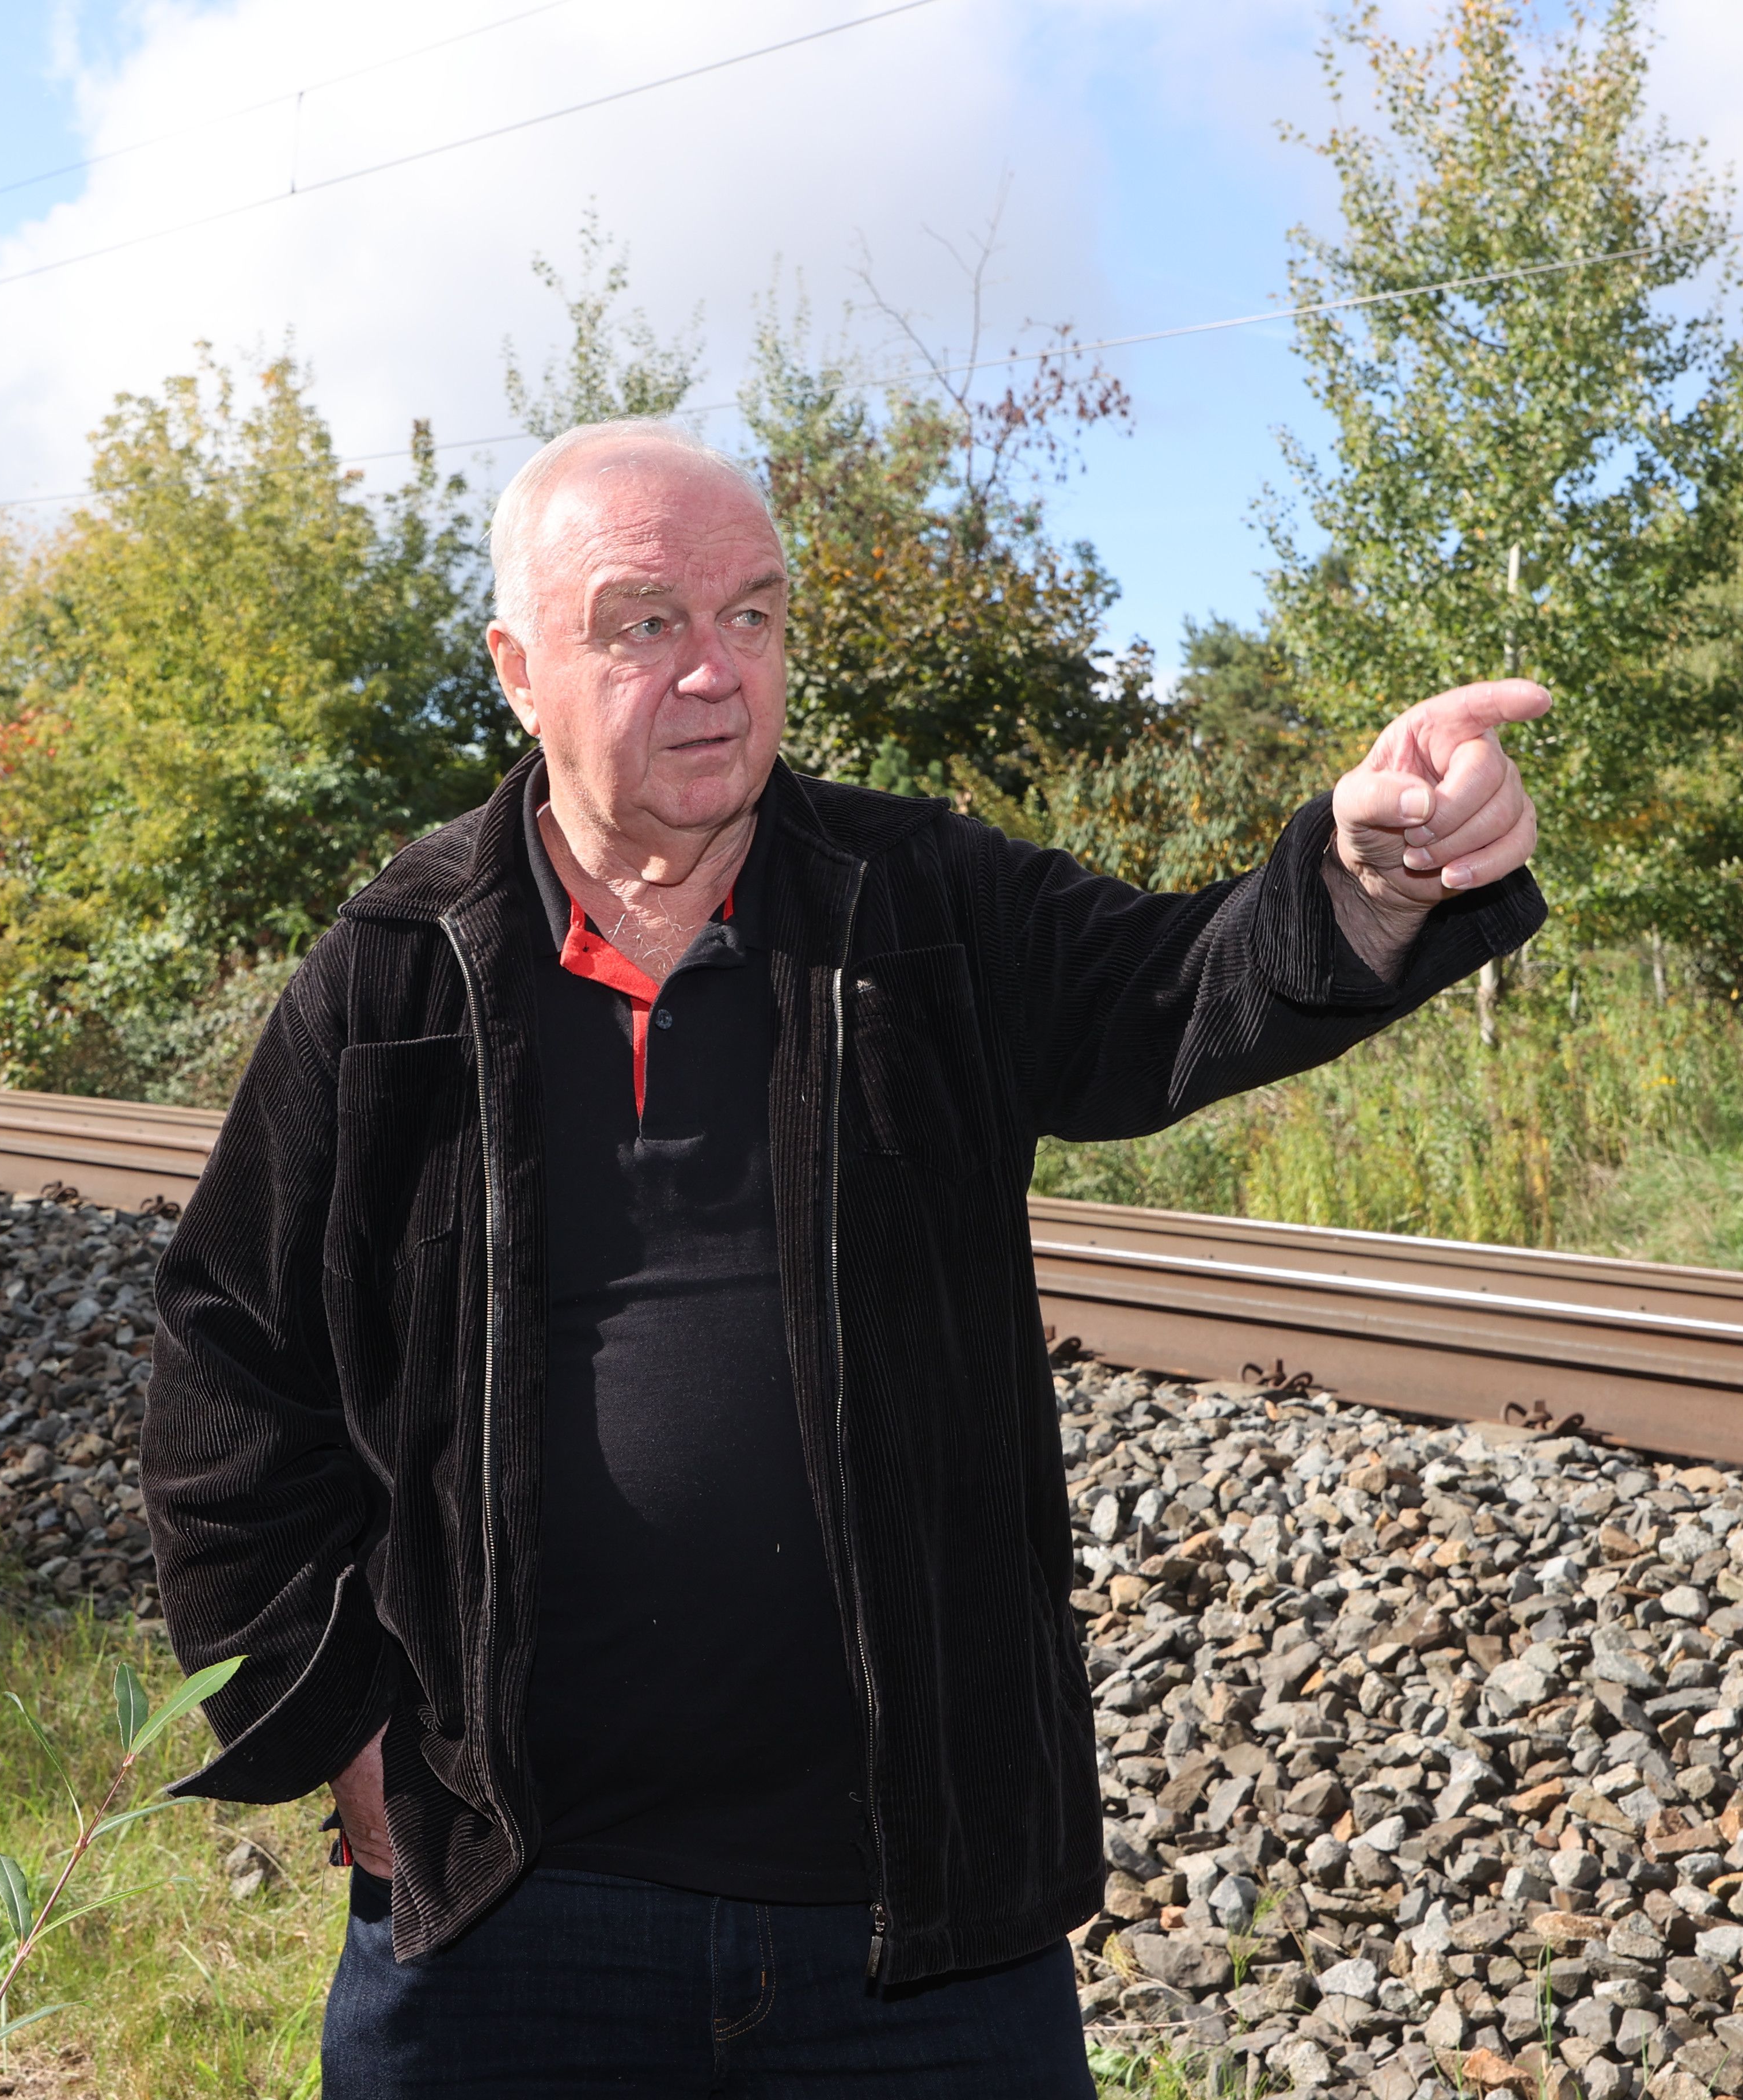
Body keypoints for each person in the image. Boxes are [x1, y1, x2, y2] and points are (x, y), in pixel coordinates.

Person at [140, 418, 1547, 2095]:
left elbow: (1179, 993)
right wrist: (336, 1726)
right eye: (644, 622)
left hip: (911, 1931)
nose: (716, 671)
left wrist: (1364, 878)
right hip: (512, 1914)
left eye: (754, 615)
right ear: (519, 668)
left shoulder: (923, 905)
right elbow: (230, 1357)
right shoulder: (397, 972)